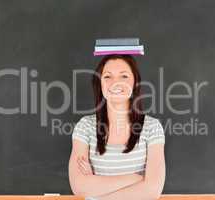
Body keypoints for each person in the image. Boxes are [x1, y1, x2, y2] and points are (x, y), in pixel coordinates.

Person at [68, 54, 166, 200]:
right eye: (107, 77)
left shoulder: (152, 127)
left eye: (124, 76)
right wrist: (135, 179)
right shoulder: (85, 127)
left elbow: (152, 190)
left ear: (135, 82)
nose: (115, 83)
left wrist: (97, 190)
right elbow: (79, 186)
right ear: (100, 84)